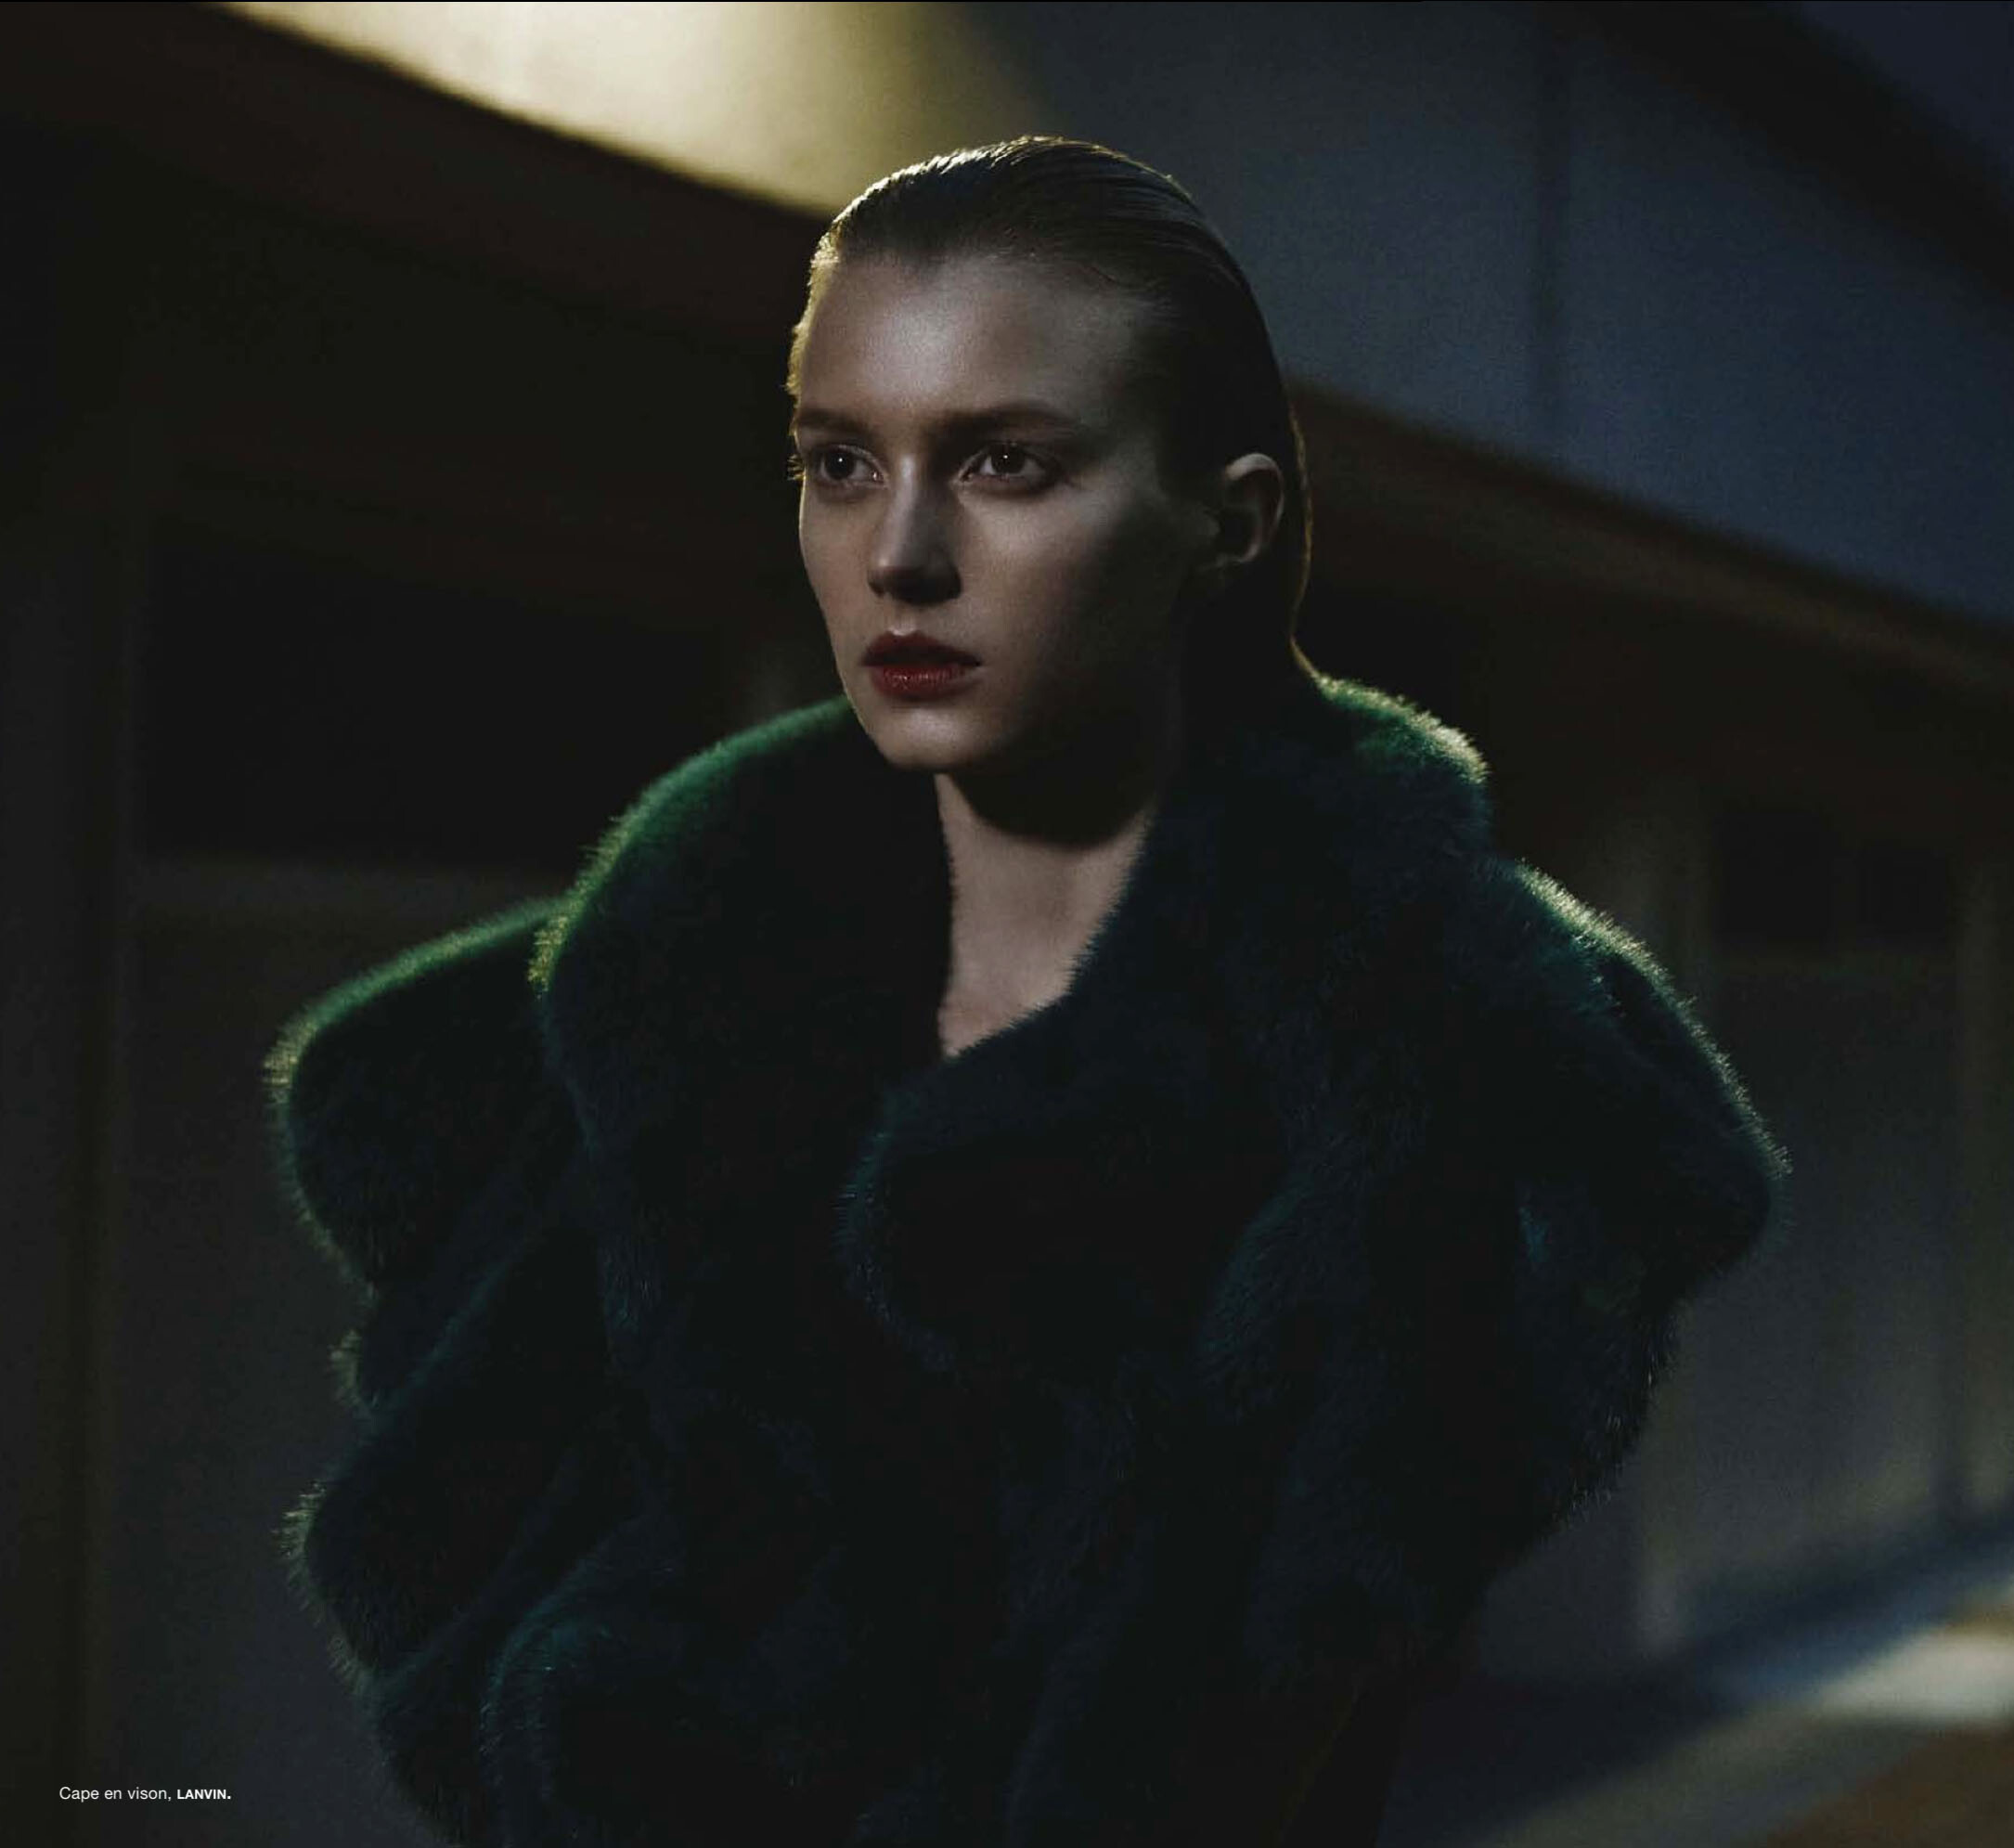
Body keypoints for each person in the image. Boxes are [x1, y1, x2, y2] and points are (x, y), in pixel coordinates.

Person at [265, 136, 1789, 1846]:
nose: (899, 554)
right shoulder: (634, 1031)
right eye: (839, 463)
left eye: (1005, 462)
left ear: (1229, 522)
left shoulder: (1459, 1063)